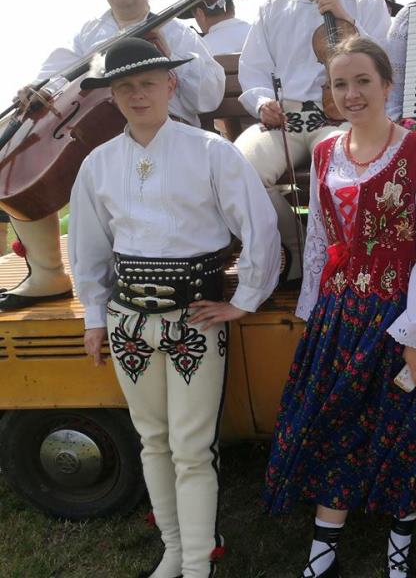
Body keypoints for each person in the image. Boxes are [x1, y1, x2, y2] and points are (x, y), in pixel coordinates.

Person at [69, 37, 281, 578]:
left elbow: (259, 224)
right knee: (153, 440)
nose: (137, 95)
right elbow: (89, 248)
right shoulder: (98, 164)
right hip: (127, 321)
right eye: (125, 87)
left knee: (191, 445)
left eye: (147, 83)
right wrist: (94, 316)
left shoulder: (210, 151)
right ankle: (172, 549)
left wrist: (246, 299)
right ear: (112, 95)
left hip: (194, 318)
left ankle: (198, 560)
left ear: (171, 84)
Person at [263, 36, 416, 578]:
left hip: (400, 313)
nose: (352, 93)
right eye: (340, 83)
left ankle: (399, 548)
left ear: (387, 85)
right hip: (340, 313)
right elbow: (320, 239)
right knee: (334, 425)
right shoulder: (326, 151)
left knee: (403, 427)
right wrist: (312, 313)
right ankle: (323, 551)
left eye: (363, 81)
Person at [0, 0, 224, 311]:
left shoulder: (177, 32)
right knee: (21, 156)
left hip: (165, 135)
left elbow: (209, 97)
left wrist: (167, 51)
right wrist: (37, 89)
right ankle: (48, 273)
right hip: (101, 139)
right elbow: (53, 76)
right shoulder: (88, 32)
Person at [234, 0, 391, 282]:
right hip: (285, 118)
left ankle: (344, 258)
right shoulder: (272, 8)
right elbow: (253, 70)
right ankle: (295, 245)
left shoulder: (367, 3)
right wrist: (263, 102)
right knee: (240, 167)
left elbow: (385, 65)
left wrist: (347, 19)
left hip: (342, 117)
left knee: (339, 167)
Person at [178, 0, 252, 55]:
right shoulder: (255, 32)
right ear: (232, 9)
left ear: (200, 13)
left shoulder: (200, 50)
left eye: (195, 17)